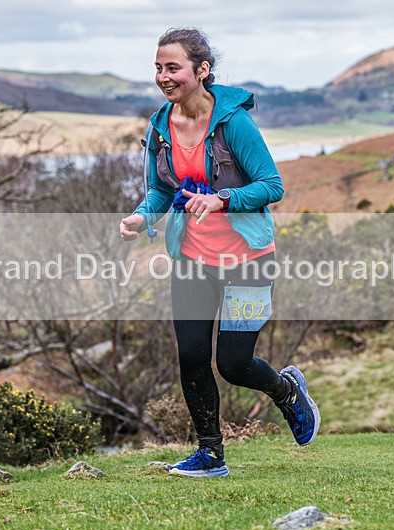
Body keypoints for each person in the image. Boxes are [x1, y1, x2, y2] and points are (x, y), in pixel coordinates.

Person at [119, 27, 319, 478]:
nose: (163, 77)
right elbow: (159, 189)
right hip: (191, 257)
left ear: (202, 70)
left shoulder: (233, 123)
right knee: (191, 356)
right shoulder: (159, 125)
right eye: (158, 68)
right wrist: (140, 217)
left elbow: (273, 186)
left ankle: (287, 391)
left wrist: (222, 199)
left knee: (234, 364)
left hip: (247, 259)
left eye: (173, 68)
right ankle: (211, 455)